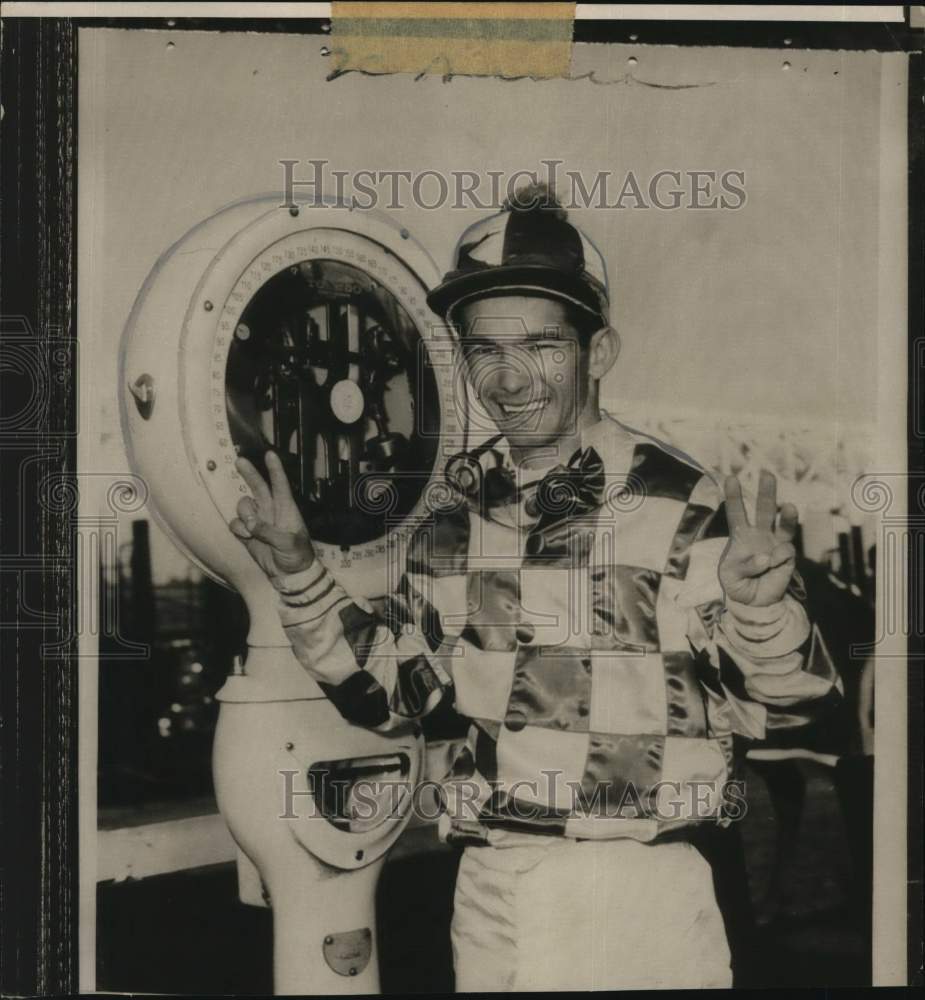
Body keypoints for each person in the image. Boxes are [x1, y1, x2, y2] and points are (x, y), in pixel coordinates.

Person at [229, 185, 841, 991]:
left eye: (541, 345)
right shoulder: (449, 517)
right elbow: (400, 700)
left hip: (635, 901)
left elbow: (794, 706)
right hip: (488, 895)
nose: (508, 379)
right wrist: (299, 572)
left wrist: (761, 613)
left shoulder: (684, 506)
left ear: (599, 353)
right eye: (483, 349)